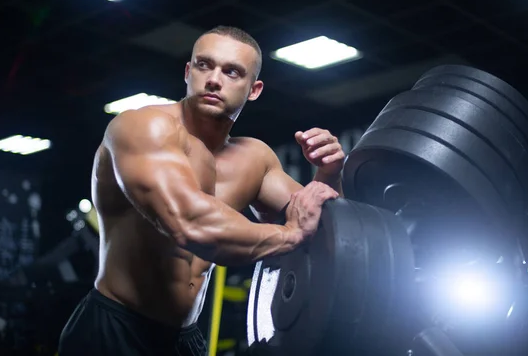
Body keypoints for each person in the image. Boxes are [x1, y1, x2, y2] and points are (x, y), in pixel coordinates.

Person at [58, 26, 346, 356]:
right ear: (187, 72)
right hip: (115, 330)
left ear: (254, 89)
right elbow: (189, 223)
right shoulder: (144, 128)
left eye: (232, 72)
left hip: (185, 338)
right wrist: (290, 235)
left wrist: (328, 175)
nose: (213, 79)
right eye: (204, 65)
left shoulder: (254, 159)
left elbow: (326, 232)